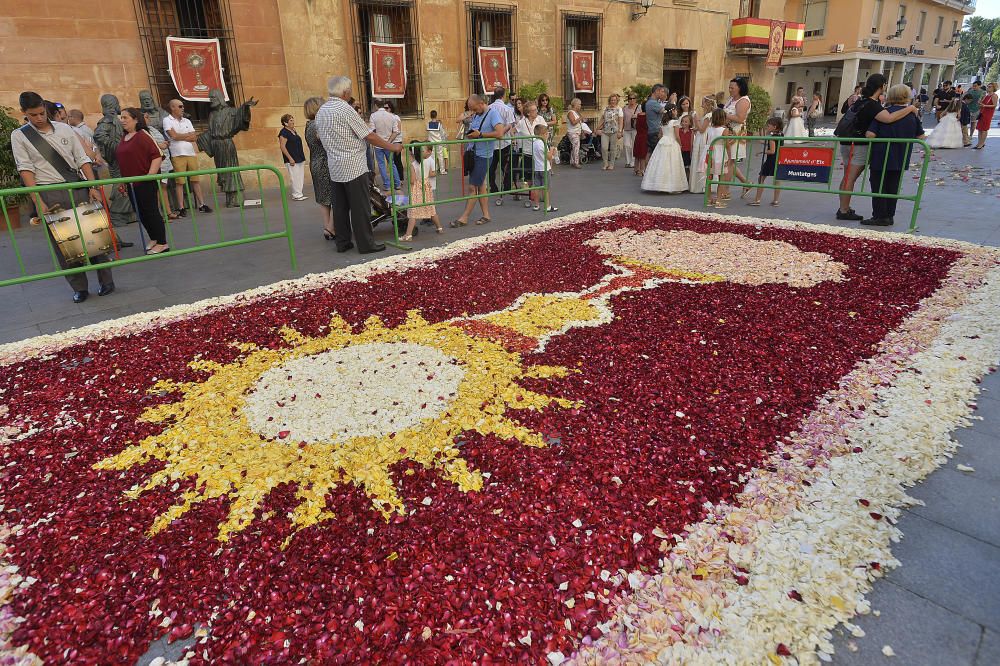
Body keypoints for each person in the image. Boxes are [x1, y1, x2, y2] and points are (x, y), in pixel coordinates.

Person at [12, 91, 114, 302]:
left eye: (41, 113)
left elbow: (82, 158)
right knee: (65, 246)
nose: (39, 118)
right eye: (33, 115)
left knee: (95, 237)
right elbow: (25, 169)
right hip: (50, 192)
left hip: (78, 187)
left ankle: (107, 281)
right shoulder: (19, 136)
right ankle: (80, 288)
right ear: (24, 113)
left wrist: (92, 185)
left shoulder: (65, 128)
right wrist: (37, 200)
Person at [315, 77, 403, 254]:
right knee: (359, 207)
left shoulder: (321, 111)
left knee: (340, 208)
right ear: (345, 92)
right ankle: (366, 244)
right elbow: (368, 135)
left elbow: (320, 136)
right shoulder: (345, 110)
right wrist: (392, 146)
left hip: (335, 166)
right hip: (353, 165)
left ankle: (343, 242)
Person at [835, 73, 920, 221]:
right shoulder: (873, 105)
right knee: (850, 178)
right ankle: (844, 210)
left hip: (847, 142)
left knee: (847, 176)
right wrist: (910, 108)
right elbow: (889, 118)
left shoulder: (861, 101)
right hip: (859, 145)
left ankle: (844, 208)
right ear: (881, 87)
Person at [864, 84, 926, 227]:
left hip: (881, 156)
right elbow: (921, 136)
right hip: (901, 156)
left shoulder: (884, 113)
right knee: (893, 186)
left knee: (879, 186)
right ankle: (889, 215)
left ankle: (879, 216)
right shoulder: (911, 115)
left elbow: (870, 135)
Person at [116, 108, 169, 254]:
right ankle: (154, 238)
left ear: (136, 119)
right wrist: (123, 181)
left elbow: (157, 155)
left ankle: (162, 242)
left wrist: (149, 176)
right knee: (141, 213)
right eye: (122, 118)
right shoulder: (124, 137)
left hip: (144, 182)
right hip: (131, 183)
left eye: (126, 117)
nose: (123, 120)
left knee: (151, 211)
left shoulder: (143, 135)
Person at [452, 93, 506, 227]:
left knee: (472, 187)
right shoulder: (476, 115)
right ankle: (486, 215)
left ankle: (464, 218)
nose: (474, 112)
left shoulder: (493, 114)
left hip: (484, 155)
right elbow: (473, 131)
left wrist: (480, 134)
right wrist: (472, 134)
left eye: (475, 109)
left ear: (482, 103)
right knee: (481, 186)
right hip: (473, 154)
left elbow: (500, 133)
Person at [163, 99, 211, 216]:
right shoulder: (167, 120)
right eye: (180, 106)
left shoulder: (187, 121)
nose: (183, 108)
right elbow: (172, 136)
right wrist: (186, 136)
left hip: (190, 153)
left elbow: (194, 137)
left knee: (195, 180)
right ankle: (181, 207)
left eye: (183, 106)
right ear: (172, 108)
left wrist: (181, 136)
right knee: (180, 182)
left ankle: (201, 204)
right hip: (177, 154)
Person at [303, 97, 335, 240]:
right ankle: (331, 227)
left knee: (323, 197)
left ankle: (327, 226)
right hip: (325, 163)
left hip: (314, 162)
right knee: (336, 196)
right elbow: (325, 140)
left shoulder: (308, 125)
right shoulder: (319, 124)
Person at [400, 145, 443, 240]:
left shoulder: (413, 164)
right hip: (426, 186)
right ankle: (439, 228)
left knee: (413, 212)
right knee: (431, 208)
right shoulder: (427, 161)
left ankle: (408, 235)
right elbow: (430, 173)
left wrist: (409, 181)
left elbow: (412, 180)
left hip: (417, 188)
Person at [143, 111, 179, 221]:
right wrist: (160, 145)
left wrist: (164, 144)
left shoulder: (151, 129)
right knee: (156, 190)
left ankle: (168, 212)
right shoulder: (142, 131)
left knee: (163, 188)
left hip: (164, 162)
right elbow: (149, 145)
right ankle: (159, 215)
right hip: (155, 164)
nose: (148, 118)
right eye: (145, 116)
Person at [642, 107, 687, 193]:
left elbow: (660, 135)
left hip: (663, 142)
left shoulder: (663, 122)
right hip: (672, 142)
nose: (677, 112)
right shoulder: (675, 122)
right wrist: (680, 144)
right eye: (676, 110)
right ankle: (672, 186)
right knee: (672, 163)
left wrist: (664, 139)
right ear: (673, 111)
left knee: (661, 162)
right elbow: (677, 136)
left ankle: (659, 184)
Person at [721, 77, 752, 199]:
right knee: (730, 161)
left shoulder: (743, 101)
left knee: (729, 161)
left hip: (736, 133)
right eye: (729, 87)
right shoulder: (731, 99)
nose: (730, 90)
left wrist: (724, 114)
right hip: (727, 131)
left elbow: (740, 118)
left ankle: (726, 191)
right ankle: (746, 183)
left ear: (740, 88)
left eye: (732, 88)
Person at [488, 88, 516, 203]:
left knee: (491, 167)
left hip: (491, 142)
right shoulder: (507, 109)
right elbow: (510, 124)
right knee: (506, 166)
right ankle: (506, 187)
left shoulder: (489, 108)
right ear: (503, 95)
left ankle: (493, 187)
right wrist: (502, 132)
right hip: (504, 142)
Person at [749, 116, 783, 207]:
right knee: (777, 180)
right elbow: (774, 144)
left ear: (774, 127)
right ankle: (776, 200)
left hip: (771, 160)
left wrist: (761, 151)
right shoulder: (780, 135)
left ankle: (757, 200)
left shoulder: (772, 137)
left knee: (761, 178)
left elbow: (772, 150)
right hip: (778, 159)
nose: (767, 127)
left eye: (768, 126)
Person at [369, 101, 401, 193]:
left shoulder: (373, 116)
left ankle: (387, 185)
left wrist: (379, 140)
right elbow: (396, 131)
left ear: (375, 105)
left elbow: (372, 131)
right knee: (392, 164)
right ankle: (397, 184)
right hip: (388, 144)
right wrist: (389, 142)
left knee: (382, 165)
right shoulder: (391, 116)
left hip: (378, 145)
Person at [278, 114, 307, 201]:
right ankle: (296, 195)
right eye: (290, 120)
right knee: (294, 177)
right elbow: (282, 147)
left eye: (293, 119)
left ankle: (299, 194)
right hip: (292, 159)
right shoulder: (283, 133)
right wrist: (290, 158)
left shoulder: (293, 131)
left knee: (300, 176)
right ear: (285, 123)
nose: (293, 121)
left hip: (299, 158)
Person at [704, 108, 730, 208]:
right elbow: (726, 144)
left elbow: (707, 141)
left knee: (709, 177)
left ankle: (709, 199)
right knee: (721, 177)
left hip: (710, 153)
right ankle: (718, 200)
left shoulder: (709, 129)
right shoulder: (724, 130)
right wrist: (729, 155)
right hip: (720, 154)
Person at [689, 95, 714, 194]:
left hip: (704, 139)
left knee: (701, 159)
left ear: (707, 104)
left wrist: (695, 118)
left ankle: (701, 185)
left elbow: (703, 129)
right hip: (701, 137)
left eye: (703, 103)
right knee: (699, 159)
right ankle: (699, 185)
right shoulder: (707, 115)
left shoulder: (709, 115)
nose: (701, 105)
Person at [530, 123, 558, 213]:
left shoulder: (534, 143)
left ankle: (536, 205)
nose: (547, 135)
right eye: (546, 134)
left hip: (537, 168)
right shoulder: (543, 144)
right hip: (545, 168)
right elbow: (549, 157)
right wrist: (552, 150)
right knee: (546, 188)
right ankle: (547, 206)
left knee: (537, 188)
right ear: (542, 134)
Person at [596, 94, 622, 170]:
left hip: (614, 131)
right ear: (609, 101)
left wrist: (620, 131)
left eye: (614, 100)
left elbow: (621, 121)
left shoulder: (619, 109)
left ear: (617, 101)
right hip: (605, 131)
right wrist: (597, 128)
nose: (613, 101)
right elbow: (602, 119)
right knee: (604, 148)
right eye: (611, 100)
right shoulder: (606, 109)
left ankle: (611, 164)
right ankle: (605, 163)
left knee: (612, 148)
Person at [644, 84, 670, 157]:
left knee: (650, 152)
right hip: (655, 132)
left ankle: (646, 168)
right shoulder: (653, 103)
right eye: (662, 91)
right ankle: (649, 168)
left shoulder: (650, 102)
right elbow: (667, 113)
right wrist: (671, 102)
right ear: (657, 91)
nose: (664, 93)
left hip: (652, 131)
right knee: (656, 154)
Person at [974, 82, 997, 149]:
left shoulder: (994, 95)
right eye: (988, 86)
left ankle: (982, 143)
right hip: (982, 112)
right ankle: (979, 143)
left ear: (994, 88)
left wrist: (985, 105)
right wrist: (980, 103)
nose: (988, 87)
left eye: (990, 86)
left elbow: (994, 105)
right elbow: (983, 103)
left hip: (988, 114)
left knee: (984, 129)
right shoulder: (987, 95)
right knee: (979, 128)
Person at [426, 110, 449, 175]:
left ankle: (434, 170)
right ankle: (442, 171)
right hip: (439, 143)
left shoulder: (428, 124)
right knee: (440, 157)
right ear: (436, 116)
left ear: (430, 116)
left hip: (431, 143)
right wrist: (444, 143)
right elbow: (442, 134)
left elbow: (428, 134)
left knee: (432, 157)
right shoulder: (439, 124)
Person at [622, 92, 640, 169]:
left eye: (633, 98)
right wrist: (620, 130)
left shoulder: (639, 107)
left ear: (636, 99)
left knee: (633, 146)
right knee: (626, 145)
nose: (631, 100)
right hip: (626, 129)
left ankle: (633, 162)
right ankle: (628, 162)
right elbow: (622, 119)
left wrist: (637, 116)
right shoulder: (624, 108)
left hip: (635, 129)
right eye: (630, 98)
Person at [565, 97, 584, 169]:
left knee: (574, 147)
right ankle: (576, 162)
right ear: (575, 104)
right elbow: (573, 122)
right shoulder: (571, 112)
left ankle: (572, 161)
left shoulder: (576, 113)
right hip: (573, 132)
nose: (580, 106)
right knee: (576, 147)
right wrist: (580, 118)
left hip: (576, 132)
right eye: (579, 104)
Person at [633, 103, 649, 176]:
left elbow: (635, 125)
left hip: (638, 135)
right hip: (645, 136)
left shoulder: (638, 115)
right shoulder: (648, 116)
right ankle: (642, 170)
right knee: (643, 154)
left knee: (637, 153)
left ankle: (636, 169)